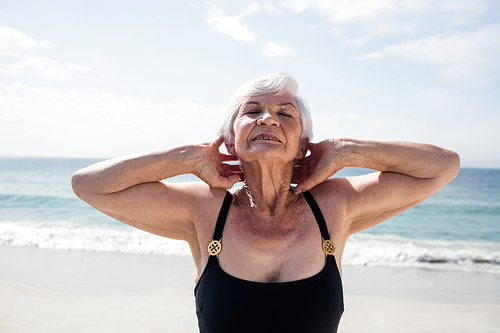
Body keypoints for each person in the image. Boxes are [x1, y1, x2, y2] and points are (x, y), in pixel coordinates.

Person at [71, 72, 460, 333]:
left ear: (304, 142)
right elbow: (89, 184)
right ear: (229, 138)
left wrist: (345, 150)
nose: (268, 119)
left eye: (285, 113)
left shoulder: (335, 205)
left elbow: (442, 166)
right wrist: (183, 158)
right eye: (252, 112)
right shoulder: (205, 209)